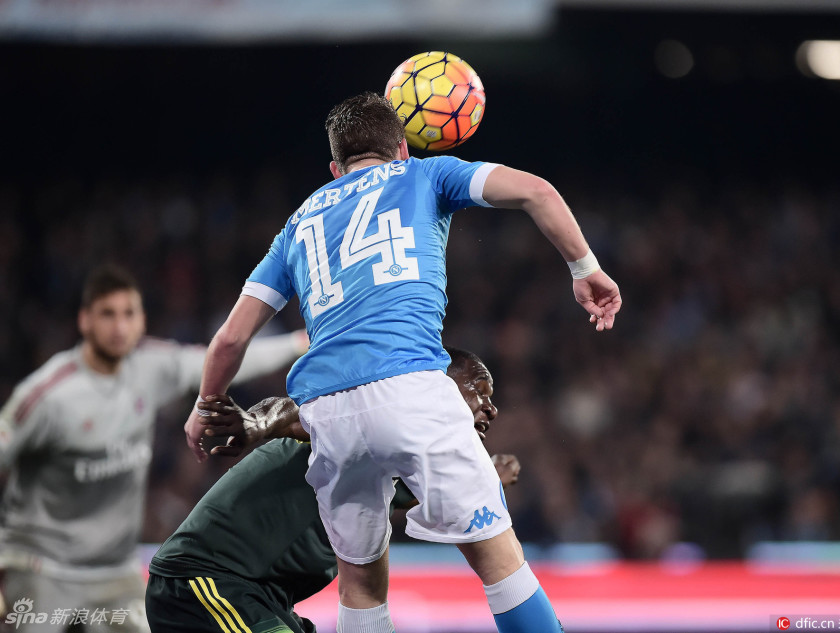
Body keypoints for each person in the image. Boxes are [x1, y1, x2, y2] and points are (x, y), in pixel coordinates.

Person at [184, 91, 621, 633]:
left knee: (361, 585)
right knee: (500, 563)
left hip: (326, 412)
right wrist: (584, 268)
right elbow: (537, 191)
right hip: (409, 385)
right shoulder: (425, 173)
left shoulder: (298, 222)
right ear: (401, 149)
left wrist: (205, 404)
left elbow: (230, 339)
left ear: (334, 168)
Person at [0, 265, 308, 633]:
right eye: (107, 314)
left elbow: (227, 355)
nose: (119, 327)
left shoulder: (150, 366)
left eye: (128, 314)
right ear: (85, 321)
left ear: (141, 320)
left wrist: (299, 342)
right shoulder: (48, 395)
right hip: (43, 568)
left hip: (114, 573)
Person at [147, 347, 518, 633]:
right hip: (203, 583)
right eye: (479, 391)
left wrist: (486, 474)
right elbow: (292, 411)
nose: (492, 409)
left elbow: (419, 494)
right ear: (436, 388)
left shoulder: (399, 467)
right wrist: (257, 421)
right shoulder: (364, 418)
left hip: (263, 598)